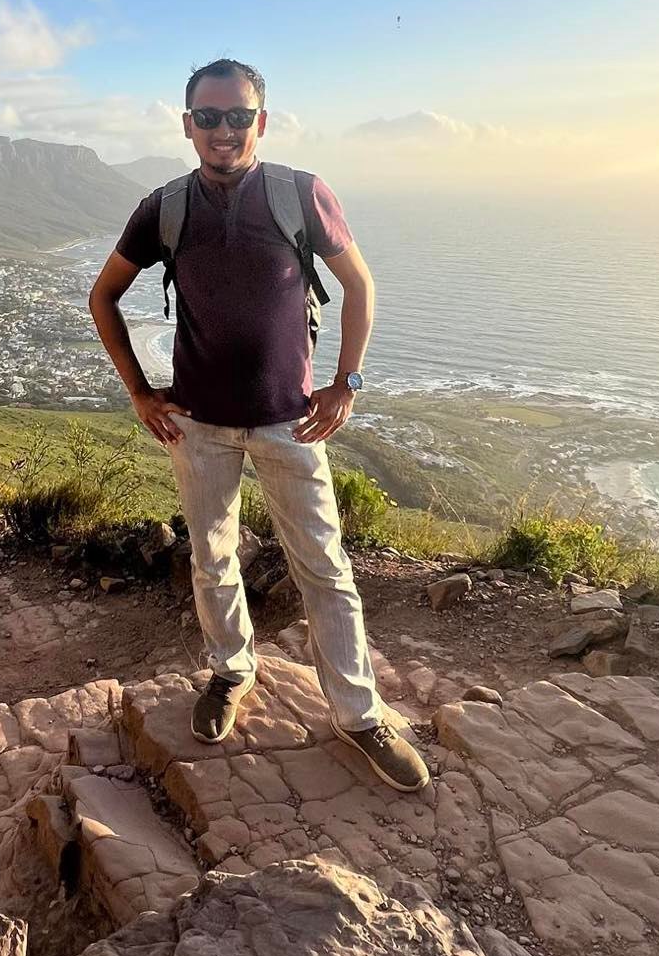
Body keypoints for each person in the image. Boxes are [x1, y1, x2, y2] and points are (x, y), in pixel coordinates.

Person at [88, 57, 429, 793]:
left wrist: (348, 383)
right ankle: (229, 671)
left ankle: (360, 716)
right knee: (211, 559)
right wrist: (141, 393)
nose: (223, 129)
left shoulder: (299, 193)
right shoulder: (164, 207)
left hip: (290, 425)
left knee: (325, 569)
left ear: (261, 122)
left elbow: (359, 285)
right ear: (187, 125)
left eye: (238, 115)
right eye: (207, 117)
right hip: (199, 426)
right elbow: (103, 296)